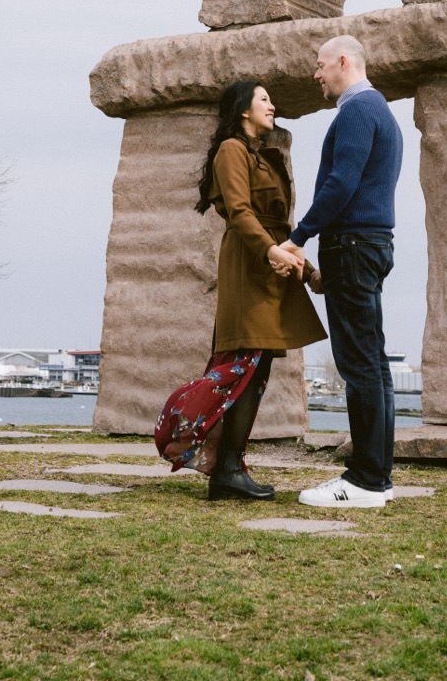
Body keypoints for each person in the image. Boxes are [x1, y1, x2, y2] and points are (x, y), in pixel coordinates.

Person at [154, 78, 326, 501]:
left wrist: (305, 269)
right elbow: (240, 212)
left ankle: (230, 467)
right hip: (250, 265)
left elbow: (277, 225)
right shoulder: (232, 148)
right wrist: (271, 252)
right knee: (244, 365)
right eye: (264, 99)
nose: (272, 105)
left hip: (268, 263)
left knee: (257, 368)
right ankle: (219, 462)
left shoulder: (259, 153)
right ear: (243, 109)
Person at [272, 35, 403, 509]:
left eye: (321, 64)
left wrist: (299, 235)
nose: (316, 73)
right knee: (374, 363)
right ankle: (378, 477)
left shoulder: (357, 110)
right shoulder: (379, 110)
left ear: (344, 61)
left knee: (358, 363)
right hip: (369, 243)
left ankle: (365, 481)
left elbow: (341, 182)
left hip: (353, 244)